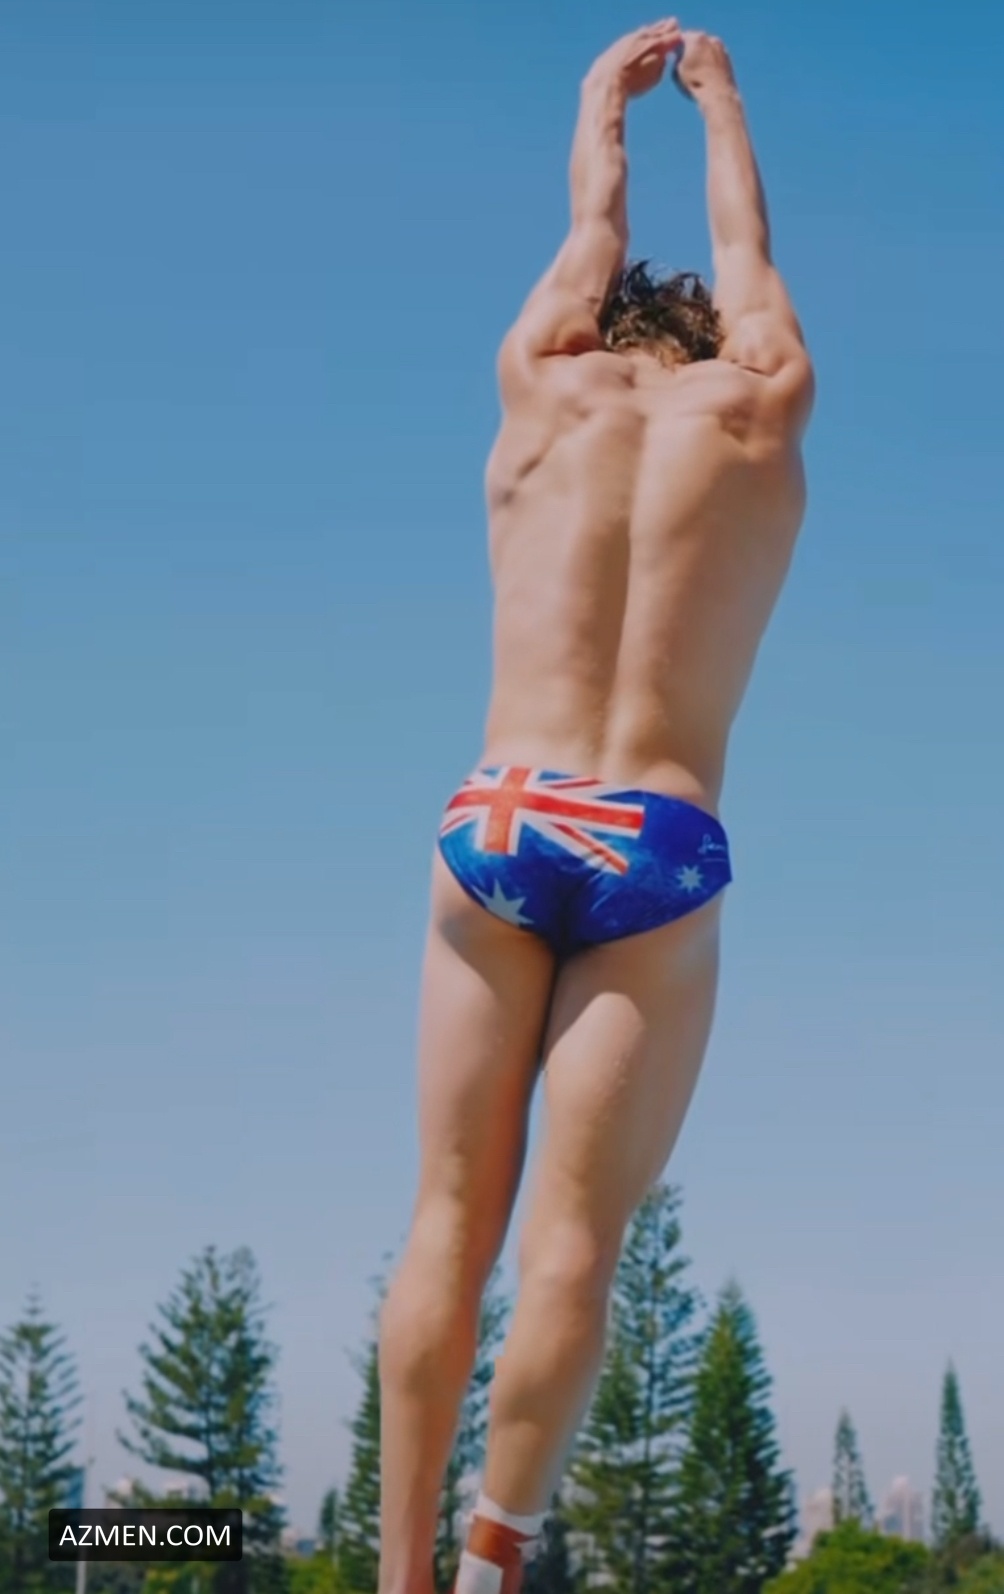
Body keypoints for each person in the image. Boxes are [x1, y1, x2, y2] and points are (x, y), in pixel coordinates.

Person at [377, 19, 814, 1594]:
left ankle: (398, 1571)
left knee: (449, 1215)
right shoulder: (761, 404)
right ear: (714, 342)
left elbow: (590, 230)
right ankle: (492, 1561)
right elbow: (748, 256)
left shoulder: (542, 387)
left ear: (603, 327)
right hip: (653, 836)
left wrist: (601, 105)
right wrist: (722, 102)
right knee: (575, 1240)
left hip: (504, 807)